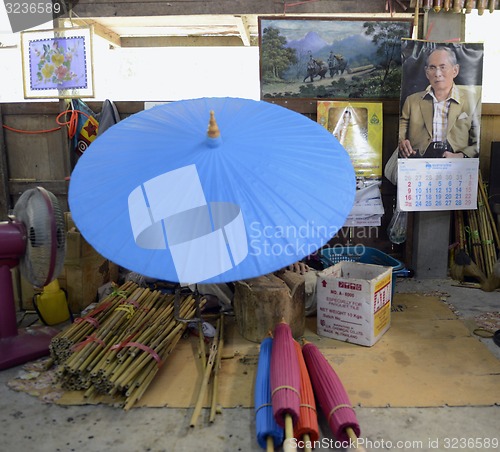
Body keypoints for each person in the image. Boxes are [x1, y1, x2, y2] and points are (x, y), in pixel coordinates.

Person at [385, 46, 481, 184]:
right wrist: (402, 142)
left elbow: (477, 141)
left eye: (443, 67)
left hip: (454, 165)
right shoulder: (412, 101)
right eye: (432, 67)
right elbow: (402, 127)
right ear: (426, 72)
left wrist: (461, 156)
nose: (437, 73)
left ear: (455, 70)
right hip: (418, 163)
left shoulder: (472, 100)